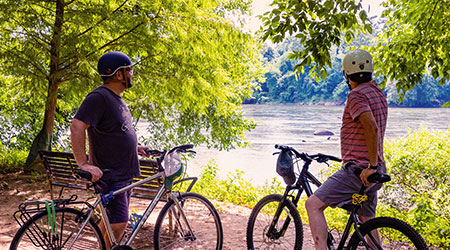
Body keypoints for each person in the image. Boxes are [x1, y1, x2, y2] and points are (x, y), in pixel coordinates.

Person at [305, 48, 388, 249]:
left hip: (359, 172)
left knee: (313, 205)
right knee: (366, 219)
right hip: (375, 171)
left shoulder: (356, 96)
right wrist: (375, 166)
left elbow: (371, 127)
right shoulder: (378, 93)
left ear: (347, 74)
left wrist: (370, 165)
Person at [70, 51, 149, 249]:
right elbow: (77, 126)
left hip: (123, 173)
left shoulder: (116, 99)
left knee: (113, 228)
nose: (131, 73)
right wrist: (84, 164)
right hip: (111, 174)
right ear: (117, 74)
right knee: (118, 225)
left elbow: (113, 131)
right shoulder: (100, 97)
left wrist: (135, 147)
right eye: (128, 70)